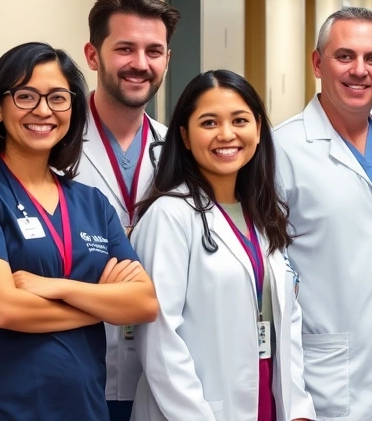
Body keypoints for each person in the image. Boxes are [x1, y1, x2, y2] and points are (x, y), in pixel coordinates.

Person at [0, 42, 159, 420]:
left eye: (58, 98)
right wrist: (102, 303)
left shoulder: (92, 203)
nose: (42, 110)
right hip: (0, 409)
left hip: (83, 407)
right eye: (25, 96)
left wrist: (59, 288)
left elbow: (143, 304)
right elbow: (3, 308)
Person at [130, 70, 315, 421]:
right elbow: (159, 340)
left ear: (258, 129)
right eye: (209, 122)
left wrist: (299, 408)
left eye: (240, 120)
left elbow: (286, 320)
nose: (226, 134)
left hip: (268, 402)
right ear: (184, 135)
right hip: (196, 410)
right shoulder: (169, 216)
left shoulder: (263, 213)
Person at [274, 7, 372, 420]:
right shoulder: (280, 150)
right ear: (317, 63)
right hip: (317, 376)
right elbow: (270, 279)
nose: (359, 71)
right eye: (345, 56)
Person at [76, 0, 176, 420]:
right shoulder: (54, 147)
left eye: (154, 51)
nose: (140, 63)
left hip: (159, 373)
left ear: (167, 59)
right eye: (125, 48)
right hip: (78, 366)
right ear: (93, 55)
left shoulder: (180, 150)